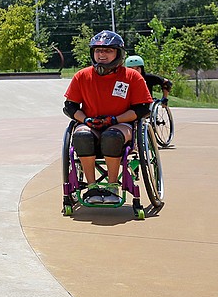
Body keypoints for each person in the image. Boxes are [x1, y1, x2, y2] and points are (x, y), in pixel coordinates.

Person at [63, 31, 153, 205]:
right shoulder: (82, 76)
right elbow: (70, 107)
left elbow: (142, 108)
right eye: (98, 51)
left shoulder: (132, 77)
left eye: (108, 50)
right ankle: (92, 187)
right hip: (91, 124)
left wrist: (114, 120)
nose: (102, 54)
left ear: (118, 53)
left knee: (111, 136)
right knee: (81, 135)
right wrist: (86, 120)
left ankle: (112, 186)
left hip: (121, 124)